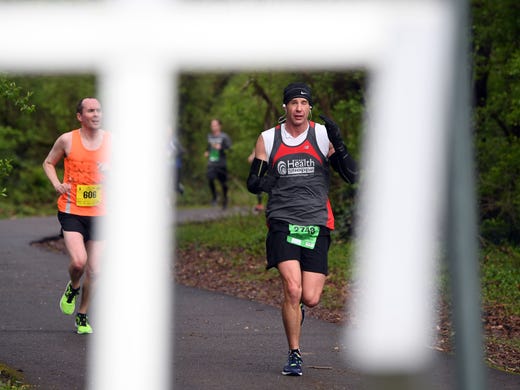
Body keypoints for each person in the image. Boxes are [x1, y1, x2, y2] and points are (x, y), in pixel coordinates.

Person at [246, 82, 357, 376]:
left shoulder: (321, 135)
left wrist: (340, 144)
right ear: (285, 107)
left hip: (316, 224)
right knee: (292, 289)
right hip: (282, 222)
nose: (298, 108)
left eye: (303, 103)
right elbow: (252, 181)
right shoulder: (268, 139)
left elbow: (351, 175)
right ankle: (294, 353)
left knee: (310, 297)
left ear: (310, 108)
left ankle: (298, 311)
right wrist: (267, 182)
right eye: (293, 102)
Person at [43, 97, 110, 334]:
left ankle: (82, 315)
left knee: (96, 269)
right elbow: (49, 163)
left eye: (98, 110)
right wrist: (57, 184)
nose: (96, 114)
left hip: (102, 213)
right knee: (79, 262)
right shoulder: (67, 139)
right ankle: (73, 286)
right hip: (72, 210)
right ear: (80, 116)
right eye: (90, 111)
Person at [204, 118, 232, 209]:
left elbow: (229, 148)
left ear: (220, 126)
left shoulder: (224, 137)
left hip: (221, 163)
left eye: (215, 125)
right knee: (210, 178)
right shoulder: (209, 136)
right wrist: (207, 152)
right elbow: (208, 147)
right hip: (212, 162)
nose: (213, 127)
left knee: (223, 183)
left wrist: (222, 147)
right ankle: (215, 196)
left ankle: (225, 199)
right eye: (212, 125)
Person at [247, 148, 264, 213]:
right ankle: (260, 204)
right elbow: (250, 159)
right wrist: (255, 153)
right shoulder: (258, 148)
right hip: (258, 174)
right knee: (258, 188)